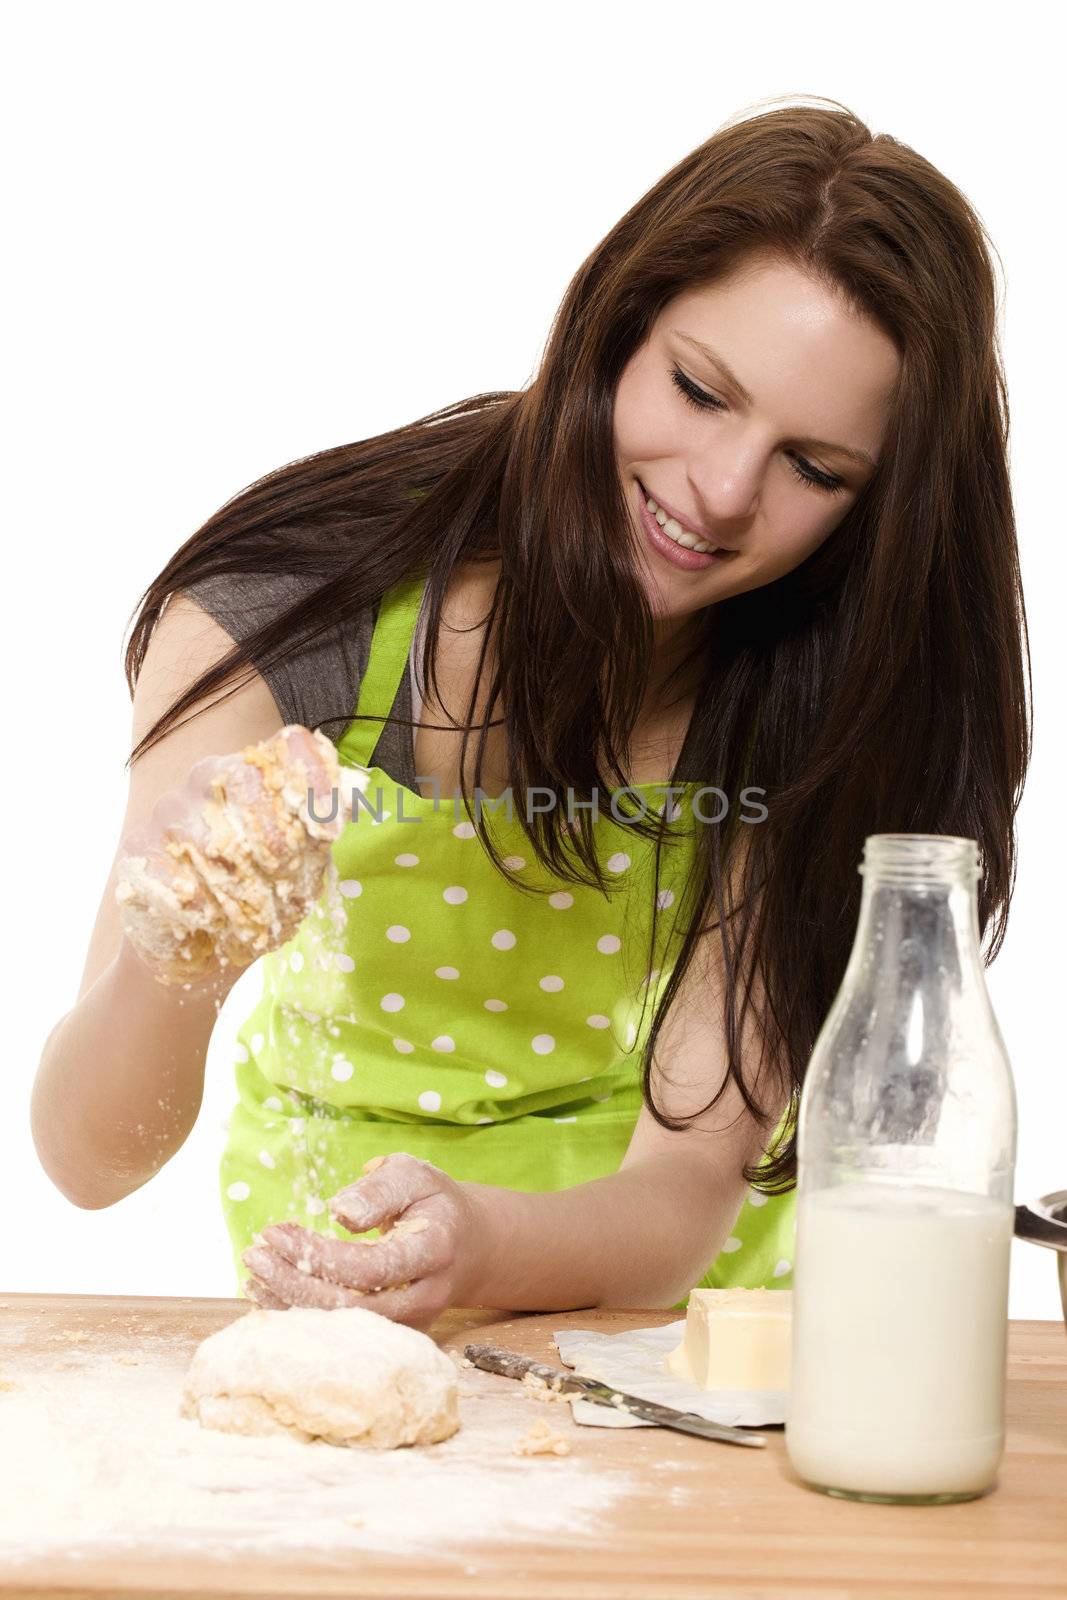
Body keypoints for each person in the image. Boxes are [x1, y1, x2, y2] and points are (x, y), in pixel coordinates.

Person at [31, 98, 1030, 1331]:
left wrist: (487, 1246)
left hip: (704, 1350)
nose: (718, 494)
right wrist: (179, 954)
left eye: (813, 468)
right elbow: (91, 1160)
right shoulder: (289, 619)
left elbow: (680, 1194)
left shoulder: (818, 682)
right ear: (614, 327)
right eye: (699, 390)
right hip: (353, 1329)